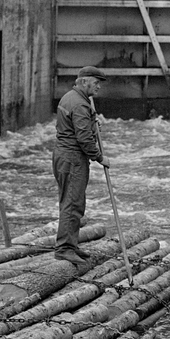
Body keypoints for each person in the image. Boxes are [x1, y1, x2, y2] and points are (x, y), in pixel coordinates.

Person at [52, 65, 110, 265]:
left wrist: (92, 122)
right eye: (96, 83)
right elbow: (84, 138)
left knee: (71, 200)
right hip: (73, 159)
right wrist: (99, 157)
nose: (99, 87)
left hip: (63, 155)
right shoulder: (80, 104)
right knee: (72, 203)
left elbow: (73, 126)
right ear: (84, 81)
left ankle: (71, 244)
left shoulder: (70, 97)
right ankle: (64, 249)